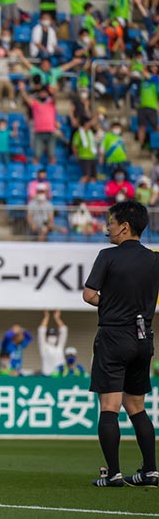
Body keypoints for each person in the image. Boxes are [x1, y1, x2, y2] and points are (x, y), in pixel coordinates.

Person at [83, 200, 159, 487]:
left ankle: (113, 474)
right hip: (143, 337)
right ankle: (150, 471)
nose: (108, 228)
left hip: (114, 336)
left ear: (124, 227)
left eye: (111, 223)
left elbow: (89, 295)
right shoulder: (154, 259)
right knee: (137, 407)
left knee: (109, 407)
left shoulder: (107, 256)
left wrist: (111, 304)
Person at [38, 310, 68, 376]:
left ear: (56, 337)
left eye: (54, 335)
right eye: (50, 335)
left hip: (60, 376)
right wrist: (46, 317)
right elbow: (41, 331)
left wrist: (57, 318)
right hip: (47, 376)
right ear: (47, 337)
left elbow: (64, 330)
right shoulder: (44, 347)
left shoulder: (59, 347)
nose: (52, 337)